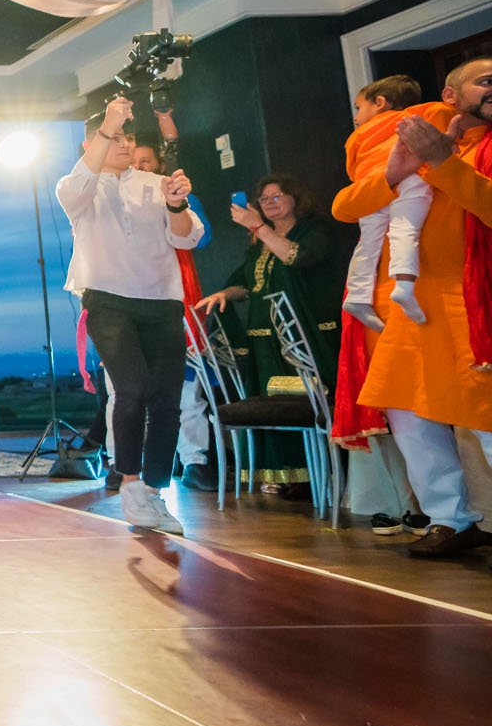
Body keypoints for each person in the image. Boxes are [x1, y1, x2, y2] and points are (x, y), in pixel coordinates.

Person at [335, 57, 492, 562]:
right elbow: (344, 206)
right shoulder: (409, 134)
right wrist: (396, 172)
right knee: (408, 414)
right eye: (486, 81)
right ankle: (449, 518)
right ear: (450, 96)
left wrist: (442, 163)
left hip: (471, 301)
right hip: (409, 304)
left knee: (485, 415)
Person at [56, 98, 201, 535]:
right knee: (131, 390)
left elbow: (188, 238)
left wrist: (176, 204)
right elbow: (77, 189)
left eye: (127, 137)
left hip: (161, 302)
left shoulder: (156, 183)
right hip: (107, 300)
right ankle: (131, 482)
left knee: (167, 402)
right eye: (113, 137)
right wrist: (110, 123)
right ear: (90, 142)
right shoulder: (78, 187)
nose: (122, 144)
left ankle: (155, 491)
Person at [195, 175, 342, 498]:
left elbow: (295, 257)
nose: (271, 202)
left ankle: (327, 476)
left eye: (278, 196)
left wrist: (259, 226)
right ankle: (291, 477)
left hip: (309, 338)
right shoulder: (259, 244)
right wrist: (224, 294)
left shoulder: (314, 231)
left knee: (315, 405)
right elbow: (246, 283)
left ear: (295, 198)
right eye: (264, 199)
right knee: (276, 408)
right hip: (267, 343)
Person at [130, 138, 216, 490]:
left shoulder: (180, 198)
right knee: (132, 389)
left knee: (186, 385)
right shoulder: (119, 203)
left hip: (178, 297)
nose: (140, 167)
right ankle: (132, 465)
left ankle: (194, 460)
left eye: (147, 161)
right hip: (135, 300)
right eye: (134, 162)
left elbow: (204, 237)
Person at [342, 75, 454, 331]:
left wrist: (371, 182)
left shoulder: (357, 136)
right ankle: (404, 285)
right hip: (410, 177)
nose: (357, 116)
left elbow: (351, 168)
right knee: (405, 229)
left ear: (379, 102)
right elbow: (442, 123)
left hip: (372, 186)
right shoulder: (419, 113)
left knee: (368, 243)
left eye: (359, 107)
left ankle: (357, 296)